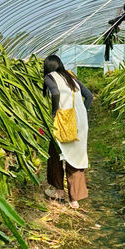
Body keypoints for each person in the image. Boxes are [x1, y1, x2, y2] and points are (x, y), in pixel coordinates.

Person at [43, 54, 93, 209]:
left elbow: (56, 93)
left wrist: (54, 113)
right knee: (75, 156)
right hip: (80, 122)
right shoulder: (71, 77)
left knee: (56, 153)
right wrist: (82, 113)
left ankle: (59, 192)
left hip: (63, 121)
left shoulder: (49, 77)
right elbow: (89, 96)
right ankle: (74, 200)